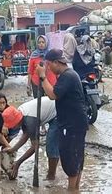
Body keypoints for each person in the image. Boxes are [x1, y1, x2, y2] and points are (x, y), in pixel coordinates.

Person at [36, 49, 88, 191]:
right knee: (76, 157)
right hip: (75, 123)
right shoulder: (69, 75)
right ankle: (74, 189)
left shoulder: (68, 76)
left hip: (72, 125)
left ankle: (72, 190)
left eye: (49, 65)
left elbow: (53, 95)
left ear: (56, 62)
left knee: (70, 158)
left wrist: (42, 77)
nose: (48, 68)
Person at [2, 97, 59, 180]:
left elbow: (35, 146)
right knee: (53, 144)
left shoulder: (30, 120)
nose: (13, 127)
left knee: (51, 145)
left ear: (16, 121)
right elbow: (25, 136)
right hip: (50, 106)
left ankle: (51, 176)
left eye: (13, 125)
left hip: (58, 111)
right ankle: (52, 172)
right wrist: (13, 149)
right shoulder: (20, 113)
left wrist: (18, 163)